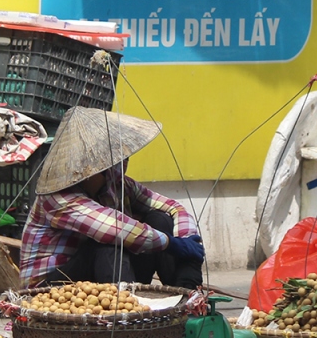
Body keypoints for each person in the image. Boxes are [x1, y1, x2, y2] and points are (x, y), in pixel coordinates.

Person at [19, 108, 205, 288]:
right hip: (51, 288)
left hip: (99, 278)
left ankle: (185, 292)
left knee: (159, 218)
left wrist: (186, 240)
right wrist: (170, 243)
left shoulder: (118, 184)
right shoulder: (56, 197)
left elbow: (173, 207)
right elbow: (115, 229)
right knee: (110, 243)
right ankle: (126, 310)